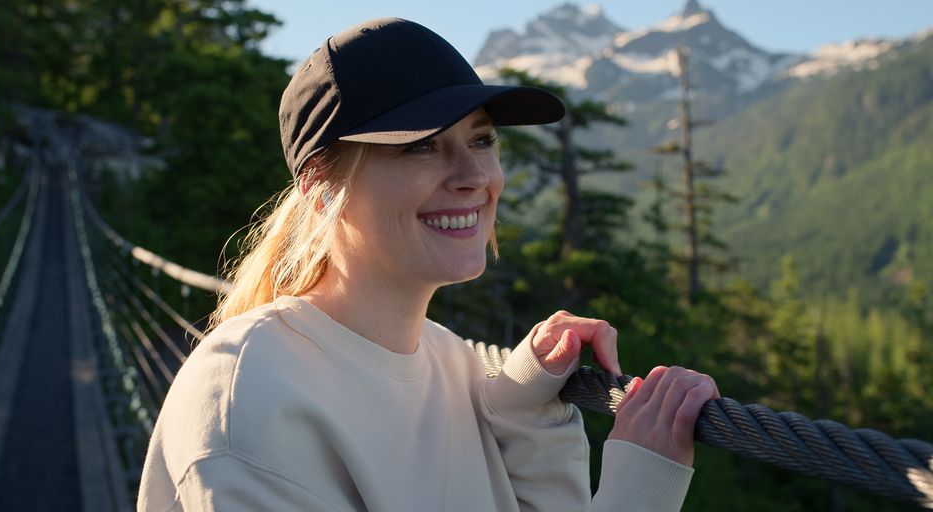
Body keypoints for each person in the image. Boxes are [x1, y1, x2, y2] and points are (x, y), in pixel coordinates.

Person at [136, 17, 719, 511]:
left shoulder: (455, 365)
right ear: (319, 187)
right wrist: (638, 492)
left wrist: (525, 416)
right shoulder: (249, 400)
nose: (472, 177)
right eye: (420, 145)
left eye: (482, 140)